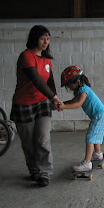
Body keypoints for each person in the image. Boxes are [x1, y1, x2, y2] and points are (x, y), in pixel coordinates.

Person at [10, 25, 63, 187]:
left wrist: (54, 100)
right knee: (28, 142)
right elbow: (36, 80)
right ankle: (34, 170)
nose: (46, 42)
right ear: (35, 39)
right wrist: (53, 97)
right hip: (24, 104)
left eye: (48, 38)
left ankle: (44, 173)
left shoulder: (47, 60)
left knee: (43, 139)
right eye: (42, 38)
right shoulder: (26, 56)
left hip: (42, 104)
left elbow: (49, 81)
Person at [59, 65, 104, 172]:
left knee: (91, 137)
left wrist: (64, 106)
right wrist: (62, 104)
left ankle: (87, 162)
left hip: (99, 115)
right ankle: (98, 154)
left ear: (77, 81)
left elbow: (78, 103)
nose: (68, 88)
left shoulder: (84, 90)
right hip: (100, 114)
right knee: (95, 135)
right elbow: (73, 101)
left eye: (68, 85)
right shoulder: (79, 90)